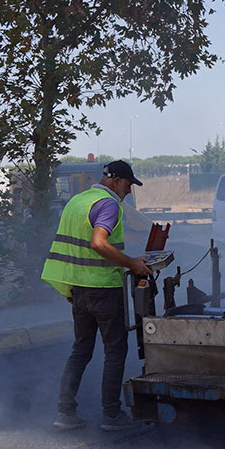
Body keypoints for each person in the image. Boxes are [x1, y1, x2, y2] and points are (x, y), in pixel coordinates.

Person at [40, 160, 153, 432]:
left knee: (80, 350)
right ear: (115, 181)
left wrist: (70, 289)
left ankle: (65, 413)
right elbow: (98, 243)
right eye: (127, 185)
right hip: (103, 289)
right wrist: (132, 263)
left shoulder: (77, 202)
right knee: (115, 351)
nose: (127, 192)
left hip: (78, 290)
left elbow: (74, 248)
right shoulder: (108, 204)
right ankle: (112, 416)